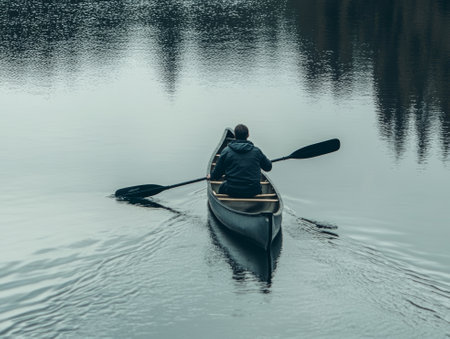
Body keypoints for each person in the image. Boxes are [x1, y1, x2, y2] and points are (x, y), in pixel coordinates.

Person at [208, 124, 272, 197]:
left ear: (235, 136)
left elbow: (217, 174)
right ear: (248, 135)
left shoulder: (226, 151)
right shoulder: (256, 151)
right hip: (253, 190)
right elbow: (268, 167)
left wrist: (211, 176)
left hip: (232, 190)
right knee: (258, 187)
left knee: (222, 187)